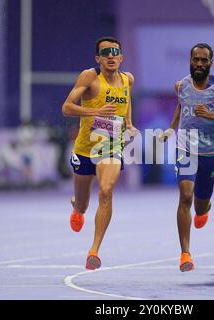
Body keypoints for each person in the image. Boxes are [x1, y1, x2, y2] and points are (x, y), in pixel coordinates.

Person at [160, 43, 214, 272]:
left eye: (203, 60)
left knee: (199, 205)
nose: (199, 64)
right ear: (190, 60)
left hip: (211, 151)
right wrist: (170, 129)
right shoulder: (181, 85)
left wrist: (212, 115)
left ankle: (205, 208)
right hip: (186, 147)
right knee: (185, 197)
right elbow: (181, 107)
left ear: (210, 63)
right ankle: (185, 254)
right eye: (195, 59)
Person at [61, 36, 137, 270]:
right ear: (98, 59)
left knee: (106, 191)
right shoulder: (89, 77)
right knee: (83, 204)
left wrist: (129, 123)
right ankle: (77, 206)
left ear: (121, 58)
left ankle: (94, 251)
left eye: (115, 52)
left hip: (110, 146)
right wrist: (95, 112)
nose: (111, 56)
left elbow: (125, 102)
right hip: (86, 148)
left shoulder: (127, 80)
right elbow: (66, 108)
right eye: (106, 53)